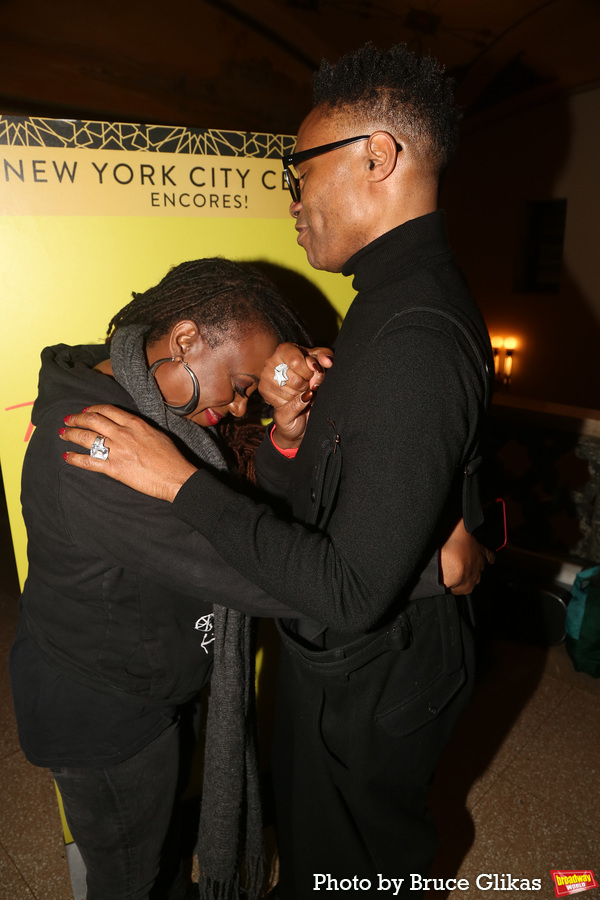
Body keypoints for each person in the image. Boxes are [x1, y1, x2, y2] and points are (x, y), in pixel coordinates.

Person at [59, 43, 494, 899]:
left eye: (299, 169)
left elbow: (346, 590)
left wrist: (176, 479)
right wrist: (292, 437)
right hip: (343, 662)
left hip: (377, 673)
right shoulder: (380, 307)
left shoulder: (412, 336)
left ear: (378, 156)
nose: (291, 201)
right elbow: (328, 502)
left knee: (353, 872)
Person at [9, 257, 316, 900]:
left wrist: (287, 437)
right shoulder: (99, 448)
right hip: (105, 712)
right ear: (184, 340)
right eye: (238, 384)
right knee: (130, 878)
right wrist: (415, 572)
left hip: (143, 677)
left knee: (160, 855)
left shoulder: (129, 392)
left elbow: (245, 506)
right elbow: (257, 569)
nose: (238, 406)